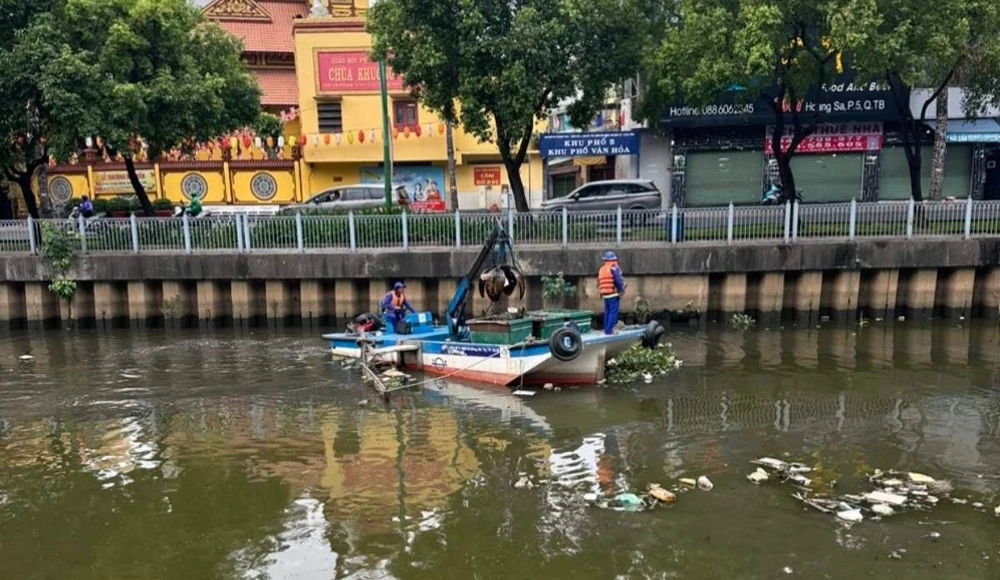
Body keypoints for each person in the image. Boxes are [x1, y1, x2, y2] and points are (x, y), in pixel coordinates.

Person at [597, 251, 626, 335]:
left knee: (607, 311)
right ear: (614, 259)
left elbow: (599, 282)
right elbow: (618, 280)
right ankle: (609, 330)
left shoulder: (602, 269)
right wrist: (621, 290)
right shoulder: (614, 268)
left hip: (604, 294)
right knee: (613, 311)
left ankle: (606, 329)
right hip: (613, 293)